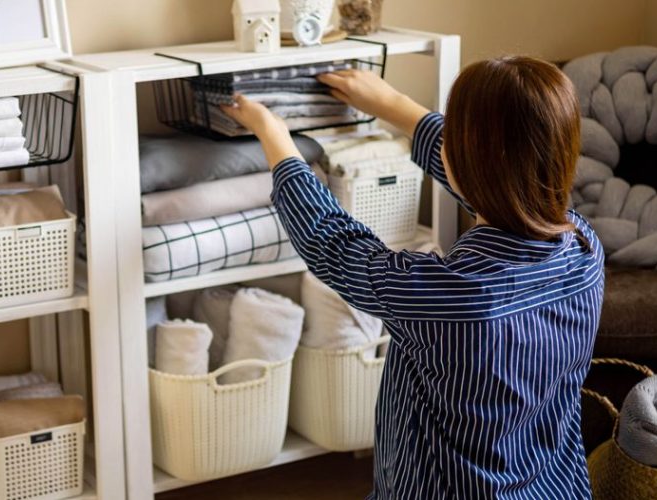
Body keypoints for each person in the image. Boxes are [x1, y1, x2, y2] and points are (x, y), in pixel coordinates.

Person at [220, 56, 605, 499]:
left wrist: (275, 136)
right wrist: (392, 104)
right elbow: (497, 178)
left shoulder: (448, 295)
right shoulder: (584, 249)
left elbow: (334, 244)